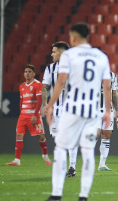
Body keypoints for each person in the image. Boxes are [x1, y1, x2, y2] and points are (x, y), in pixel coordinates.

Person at [38, 22, 111, 201]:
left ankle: (56, 196)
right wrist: (108, 111)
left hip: (72, 109)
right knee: (87, 152)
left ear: (75, 37)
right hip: (92, 110)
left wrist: (50, 105)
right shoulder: (101, 56)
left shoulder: (69, 55)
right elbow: (107, 86)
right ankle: (83, 197)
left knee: (61, 148)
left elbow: (61, 82)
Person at [42, 41, 78, 177]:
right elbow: (45, 87)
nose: (52, 54)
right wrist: (45, 103)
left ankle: (72, 167)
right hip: (55, 110)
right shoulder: (50, 69)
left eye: (54, 51)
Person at [6, 64, 52, 166]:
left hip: (33, 115)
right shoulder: (21, 86)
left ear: (34, 73)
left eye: (29, 72)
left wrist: (35, 115)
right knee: (19, 135)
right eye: (26, 72)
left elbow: (39, 100)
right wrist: (21, 113)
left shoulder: (37, 84)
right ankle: (17, 160)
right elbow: (21, 101)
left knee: (41, 137)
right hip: (23, 116)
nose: (27, 74)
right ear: (23, 73)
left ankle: (45, 155)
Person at [96, 71, 118, 171]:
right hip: (95, 110)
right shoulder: (92, 73)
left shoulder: (112, 75)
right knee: (95, 134)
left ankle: (102, 164)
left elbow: (114, 93)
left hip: (108, 111)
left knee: (107, 134)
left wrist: (117, 110)